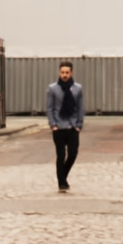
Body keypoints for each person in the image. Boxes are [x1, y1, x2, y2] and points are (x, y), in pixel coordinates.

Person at [46, 61, 84, 192]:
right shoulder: (52, 88)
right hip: (59, 127)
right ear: (59, 72)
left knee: (73, 154)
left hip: (73, 127)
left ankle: (63, 177)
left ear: (71, 73)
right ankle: (61, 183)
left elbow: (80, 108)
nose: (65, 75)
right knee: (60, 155)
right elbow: (50, 108)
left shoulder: (78, 88)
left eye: (67, 72)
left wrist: (79, 125)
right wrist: (53, 125)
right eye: (62, 72)